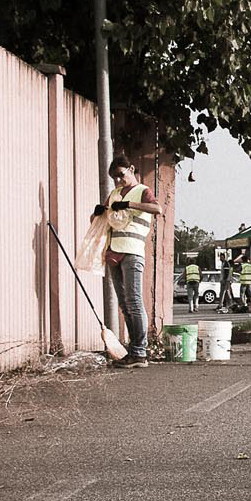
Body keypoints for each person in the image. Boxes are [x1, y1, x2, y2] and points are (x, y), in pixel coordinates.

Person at [91, 154, 162, 368]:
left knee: (134, 301)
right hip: (114, 252)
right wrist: (96, 213)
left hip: (132, 251)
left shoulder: (142, 191)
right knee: (124, 304)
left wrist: (129, 204)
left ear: (131, 169)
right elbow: (98, 220)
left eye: (121, 175)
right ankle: (134, 351)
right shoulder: (114, 194)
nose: (118, 180)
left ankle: (140, 352)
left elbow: (157, 209)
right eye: (114, 177)